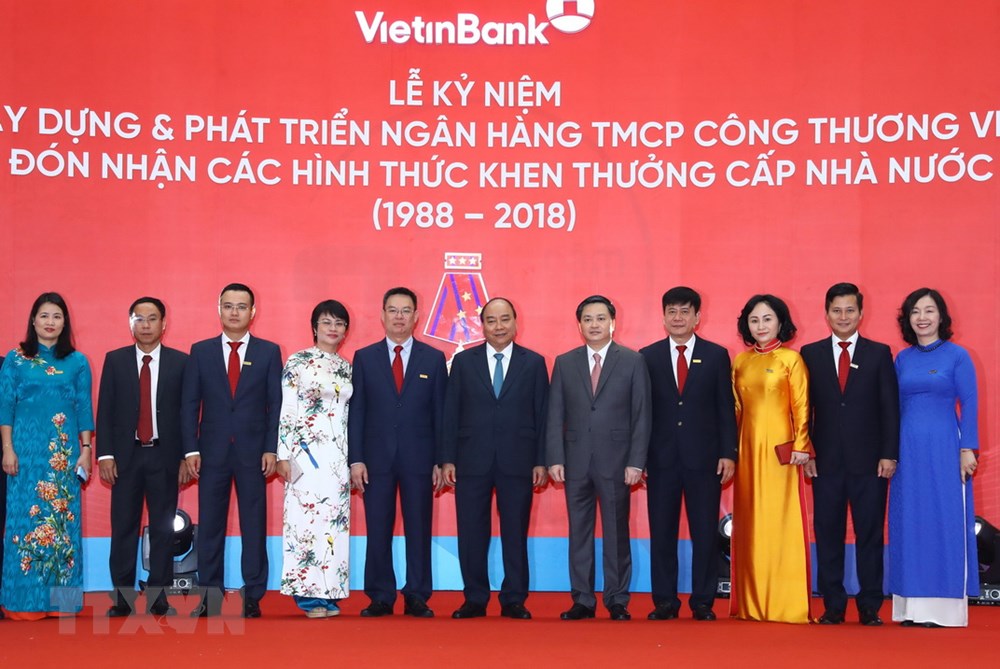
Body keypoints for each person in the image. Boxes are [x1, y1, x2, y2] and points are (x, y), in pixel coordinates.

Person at [440, 297, 548, 620]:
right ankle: (474, 598)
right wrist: (447, 458)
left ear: (516, 322)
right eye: (491, 320)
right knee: (471, 532)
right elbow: (450, 412)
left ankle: (514, 598)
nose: (498, 326)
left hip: (519, 460)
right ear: (482, 325)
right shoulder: (463, 362)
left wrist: (541, 460)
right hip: (471, 459)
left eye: (504, 319)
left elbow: (543, 415)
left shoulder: (534, 362)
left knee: (515, 531)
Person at [546, 295, 651, 621]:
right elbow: (555, 414)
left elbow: (642, 415)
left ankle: (617, 599)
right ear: (579, 325)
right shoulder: (565, 362)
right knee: (579, 532)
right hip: (575, 461)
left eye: (601, 318)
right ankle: (582, 599)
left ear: (612, 323)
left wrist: (636, 461)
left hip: (617, 462)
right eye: (588, 319)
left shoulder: (632, 361)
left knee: (617, 532)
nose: (594, 324)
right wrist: (555, 457)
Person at [800, 283, 899, 626]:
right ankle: (833, 605)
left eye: (850, 310)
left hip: (870, 462)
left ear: (861, 313)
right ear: (826, 314)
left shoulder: (879, 353)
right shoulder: (810, 354)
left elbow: (890, 408)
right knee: (828, 533)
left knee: (870, 533)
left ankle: (870, 606)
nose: (843, 317)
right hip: (824, 462)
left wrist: (889, 454)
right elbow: (803, 410)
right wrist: (807, 452)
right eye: (836, 310)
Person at [181, 283, 282, 618]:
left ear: (253, 312)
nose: (234, 312)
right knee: (210, 525)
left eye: (241, 306)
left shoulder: (269, 352)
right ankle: (210, 595)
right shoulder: (201, 351)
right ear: (219, 310)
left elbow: (275, 405)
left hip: (254, 453)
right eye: (228, 306)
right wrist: (190, 450)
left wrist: (271, 449)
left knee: (254, 525)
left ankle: (252, 595)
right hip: (211, 452)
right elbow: (190, 404)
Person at [348, 287, 447, 618]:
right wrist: (356, 458)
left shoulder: (434, 358)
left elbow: (441, 414)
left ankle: (417, 594)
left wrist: (440, 460)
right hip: (375, 460)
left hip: (420, 459)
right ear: (382, 315)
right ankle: (380, 595)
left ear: (417, 316)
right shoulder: (364, 358)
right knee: (377, 528)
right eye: (393, 310)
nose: (399, 317)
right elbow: (357, 412)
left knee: (419, 528)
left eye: (406, 311)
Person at [640, 287, 736, 622]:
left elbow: (726, 408)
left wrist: (728, 452)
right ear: (663, 316)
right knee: (662, 533)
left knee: (704, 533)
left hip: (704, 460)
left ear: (697, 317)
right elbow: (641, 412)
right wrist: (639, 458)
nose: (678, 318)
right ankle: (665, 601)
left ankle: (702, 601)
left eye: (685, 311)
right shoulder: (647, 356)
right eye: (672, 311)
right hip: (660, 459)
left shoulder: (716, 355)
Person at [888, 288, 979, 627]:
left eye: (929, 310)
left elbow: (969, 403)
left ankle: (942, 609)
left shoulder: (958, 356)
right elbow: (893, 407)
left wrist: (968, 449)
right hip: (907, 451)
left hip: (944, 448)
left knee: (944, 519)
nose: (922, 317)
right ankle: (910, 607)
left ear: (941, 316)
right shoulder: (903, 359)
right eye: (915, 311)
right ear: (907, 319)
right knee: (909, 520)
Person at [0, 292, 94, 620]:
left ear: (65, 322)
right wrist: (7, 448)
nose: (50, 322)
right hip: (24, 455)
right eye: (44, 315)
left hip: (63, 456)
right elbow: (5, 406)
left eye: (56, 316)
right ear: (33, 320)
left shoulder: (78, 362)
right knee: (25, 523)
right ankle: (23, 605)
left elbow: (84, 407)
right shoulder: (16, 360)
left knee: (63, 526)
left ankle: (62, 604)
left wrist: (86, 450)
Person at [96, 297, 189, 618]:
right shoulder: (115, 360)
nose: (146, 325)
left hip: (165, 456)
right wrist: (105, 454)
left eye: (152, 318)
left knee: (163, 529)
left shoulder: (181, 362)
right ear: (130, 323)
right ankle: (122, 598)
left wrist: (185, 456)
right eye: (139, 319)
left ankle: (158, 597)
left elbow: (187, 413)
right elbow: (105, 410)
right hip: (125, 458)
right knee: (123, 527)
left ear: (164, 324)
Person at [730, 294, 812, 623]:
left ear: (780, 322)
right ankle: (751, 602)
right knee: (750, 522)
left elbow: (802, 406)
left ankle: (785, 603)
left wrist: (802, 445)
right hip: (746, 451)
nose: (761, 326)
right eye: (754, 320)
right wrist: (729, 451)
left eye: (767, 319)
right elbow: (735, 410)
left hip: (783, 453)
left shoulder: (792, 359)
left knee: (781, 520)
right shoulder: (739, 362)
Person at [276, 300, 353, 619]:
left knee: (334, 525)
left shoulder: (347, 366)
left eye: (339, 323)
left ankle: (329, 593)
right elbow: (287, 408)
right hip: (304, 455)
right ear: (314, 327)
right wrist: (283, 454)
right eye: (326, 322)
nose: (333, 328)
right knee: (304, 523)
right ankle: (307, 597)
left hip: (338, 457)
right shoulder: (298, 361)